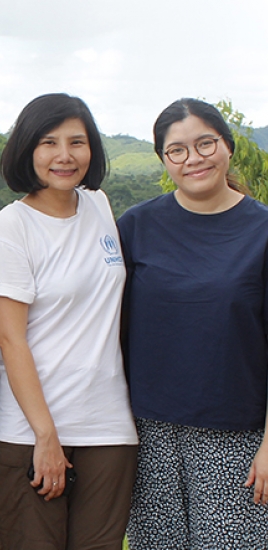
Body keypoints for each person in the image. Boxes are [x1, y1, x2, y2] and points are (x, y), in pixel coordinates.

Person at [0, 93, 138, 549]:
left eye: (78, 142)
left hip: (108, 425)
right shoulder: (12, 225)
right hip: (30, 429)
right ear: (28, 149)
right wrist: (45, 436)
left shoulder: (99, 206)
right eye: (49, 143)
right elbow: (11, 340)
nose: (65, 156)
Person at [118, 98, 268, 549]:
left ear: (228, 146)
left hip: (237, 435)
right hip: (148, 433)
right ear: (164, 160)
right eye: (177, 150)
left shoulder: (261, 230)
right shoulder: (136, 226)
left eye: (205, 143)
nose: (194, 158)